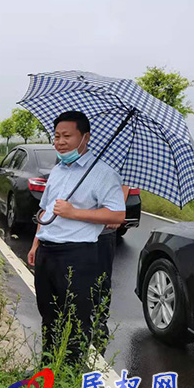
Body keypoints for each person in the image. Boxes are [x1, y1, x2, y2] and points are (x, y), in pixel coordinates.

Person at [27, 111, 125, 364]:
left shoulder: (103, 173)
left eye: (67, 136)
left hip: (77, 255)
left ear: (85, 138)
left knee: (74, 319)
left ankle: (69, 376)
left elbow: (117, 214)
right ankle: (47, 368)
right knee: (48, 315)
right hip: (47, 252)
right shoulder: (59, 169)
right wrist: (37, 242)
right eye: (56, 136)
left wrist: (75, 212)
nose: (60, 141)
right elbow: (45, 209)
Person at [95, 185, 129, 347]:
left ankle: (100, 319)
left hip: (104, 230)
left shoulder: (117, 162)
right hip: (78, 228)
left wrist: (117, 211)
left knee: (102, 278)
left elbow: (125, 183)